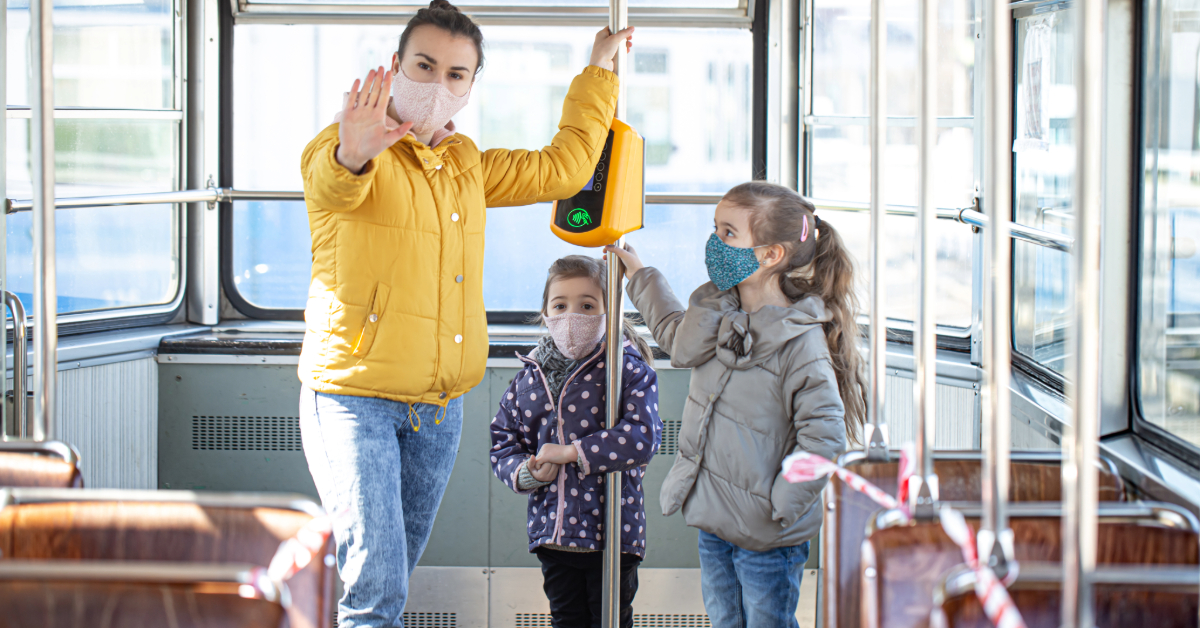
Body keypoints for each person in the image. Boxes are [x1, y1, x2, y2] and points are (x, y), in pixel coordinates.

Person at [297, 1, 635, 625]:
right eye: (424, 66)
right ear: (395, 66)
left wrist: (598, 70)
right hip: (353, 398)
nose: (437, 84)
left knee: (392, 579)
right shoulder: (344, 145)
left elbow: (564, 169)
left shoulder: (466, 165)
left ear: (471, 84)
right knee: (374, 591)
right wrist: (352, 153)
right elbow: (332, 185)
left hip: (438, 407)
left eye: (456, 74)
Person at [604, 181, 868, 628]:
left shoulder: (801, 342)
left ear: (770, 255)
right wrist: (640, 274)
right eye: (715, 229)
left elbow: (823, 438)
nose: (714, 243)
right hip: (715, 519)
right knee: (725, 619)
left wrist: (780, 506)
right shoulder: (717, 311)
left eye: (728, 233)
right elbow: (677, 338)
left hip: (768, 532)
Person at [489, 255, 662, 628]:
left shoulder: (626, 369)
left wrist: (572, 452)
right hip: (553, 532)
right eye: (560, 306)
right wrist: (526, 472)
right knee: (566, 620)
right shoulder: (529, 379)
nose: (572, 316)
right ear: (545, 314)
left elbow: (643, 436)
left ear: (609, 313)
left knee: (610, 621)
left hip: (613, 533)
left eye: (587, 306)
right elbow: (503, 442)